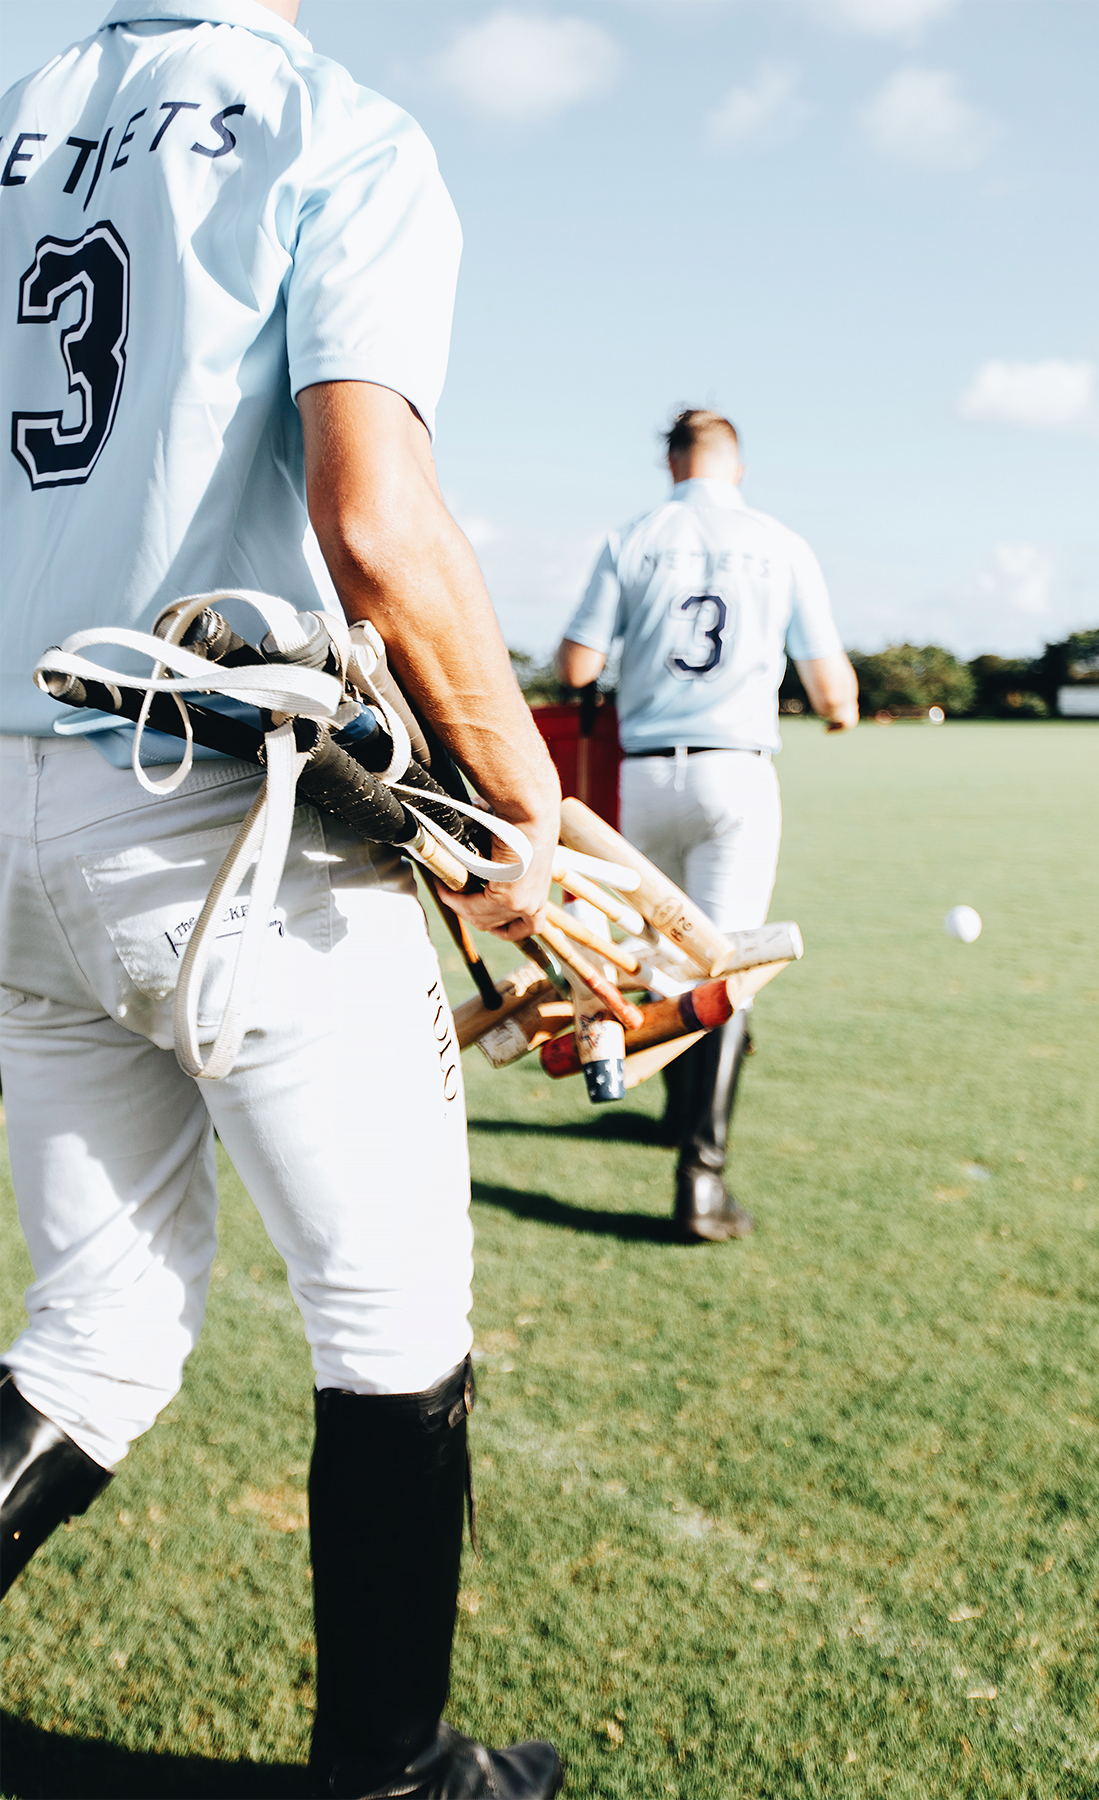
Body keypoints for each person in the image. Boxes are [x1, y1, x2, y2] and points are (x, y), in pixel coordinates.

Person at [0, 3, 564, 1797]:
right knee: (391, 1312)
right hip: (207, 810)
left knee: (96, 1332)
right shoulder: (337, 124)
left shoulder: (17, 111)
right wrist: (522, 787)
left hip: (9, 815)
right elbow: (377, 521)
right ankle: (396, 1782)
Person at [555, 408, 858, 1244]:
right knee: (724, 964)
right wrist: (839, 716)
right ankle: (701, 1180)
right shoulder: (782, 542)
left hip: (646, 773)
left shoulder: (633, 537)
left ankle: (663, 1109)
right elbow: (835, 692)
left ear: (671, 462)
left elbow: (576, 665)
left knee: (653, 952)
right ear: (737, 464)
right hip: (737, 775)